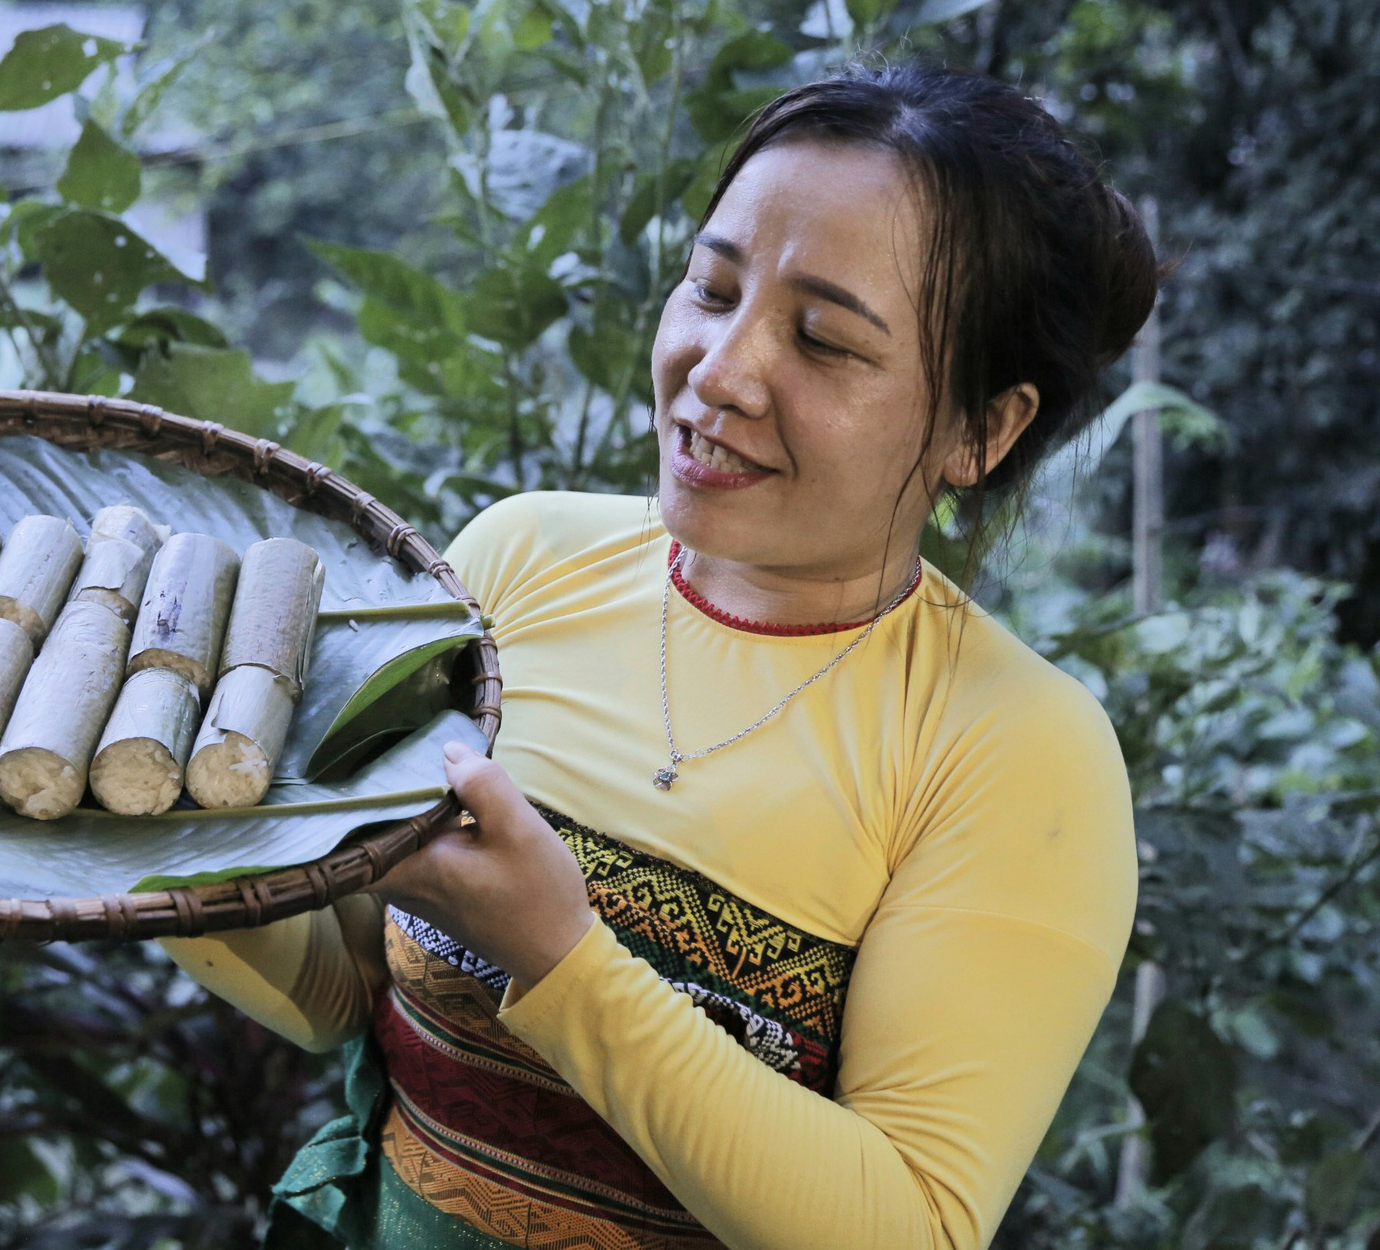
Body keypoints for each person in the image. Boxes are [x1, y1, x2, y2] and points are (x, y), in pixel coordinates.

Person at [160, 59, 1158, 1250]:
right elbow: (349, 989)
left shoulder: (1012, 749)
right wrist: (163, 824)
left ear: (980, 429)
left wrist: (561, 958)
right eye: (710, 286)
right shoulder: (520, 559)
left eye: (825, 341)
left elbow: (908, 1223)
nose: (720, 370)